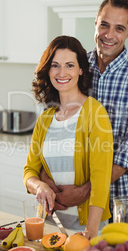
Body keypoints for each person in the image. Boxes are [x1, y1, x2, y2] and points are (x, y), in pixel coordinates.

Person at [40, 0, 128, 236]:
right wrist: (45, 177)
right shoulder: (76, 64)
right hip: (73, 205)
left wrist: (87, 189)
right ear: (95, 23)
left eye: (119, 28)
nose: (109, 34)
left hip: (121, 203)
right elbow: (52, 127)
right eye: (104, 24)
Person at [23, 35, 113, 240]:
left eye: (69, 65)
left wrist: (90, 231)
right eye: (55, 65)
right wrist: (40, 186)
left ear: (81, 69)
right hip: (48, 223)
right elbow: (29, 172)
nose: (62, 73)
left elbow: (101, 179)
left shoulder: (95, 112)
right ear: (48, 70)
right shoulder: (45, 119)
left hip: (85, 225)